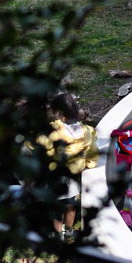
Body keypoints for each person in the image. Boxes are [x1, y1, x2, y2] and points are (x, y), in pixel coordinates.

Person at [36, 91, 99, 239]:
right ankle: (69, 231)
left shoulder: (54, 131)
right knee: (71, 206)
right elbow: (93, 152)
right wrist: (89, 164)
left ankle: (59, 235)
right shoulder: (86, 131)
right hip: (73, 176)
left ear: (61, 115)